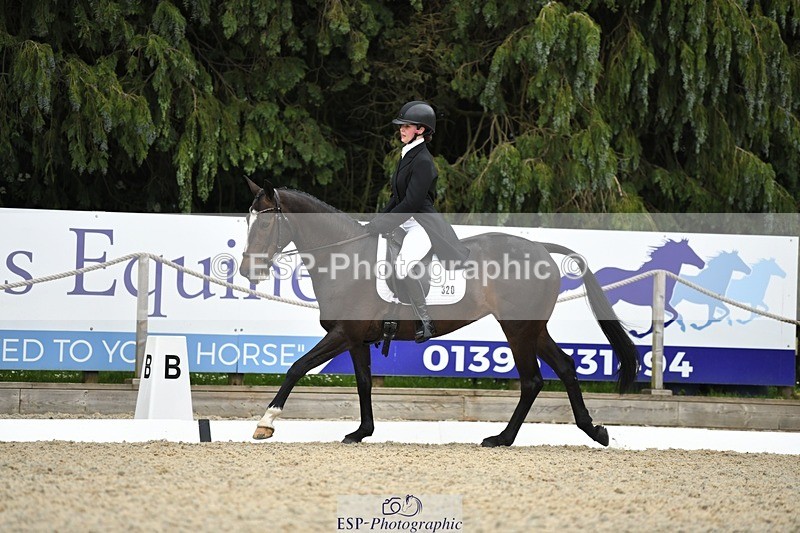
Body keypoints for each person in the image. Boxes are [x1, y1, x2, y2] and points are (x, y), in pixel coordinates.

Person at [364, 100, 470, 342]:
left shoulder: (423, 161)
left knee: (403, 266)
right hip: (406, 221)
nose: (401, 130)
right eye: (400, 126)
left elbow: (411, 203)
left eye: (406, 126)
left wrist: (383, 225)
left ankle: (425, 321)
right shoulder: (407, 154)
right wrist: (375, 223)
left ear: (420, 130)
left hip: (422, 224)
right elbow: (396, 197)